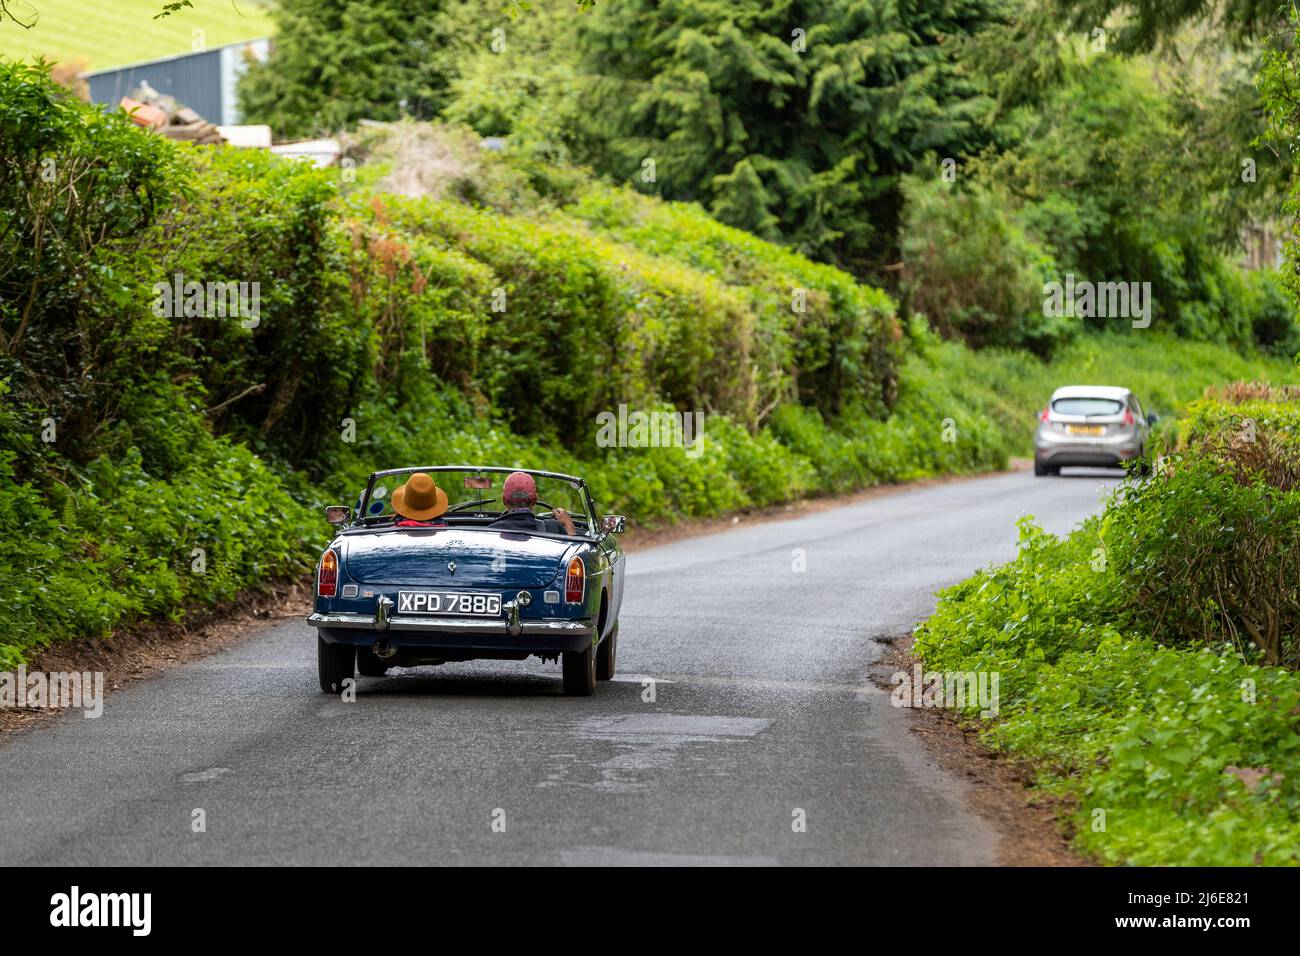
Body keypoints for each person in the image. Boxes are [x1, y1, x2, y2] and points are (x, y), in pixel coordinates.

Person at [491, 471, 576, 535]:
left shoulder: (491, 532)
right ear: (535, 500)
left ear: (504, 500)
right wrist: (569, 526)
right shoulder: (552, 528)